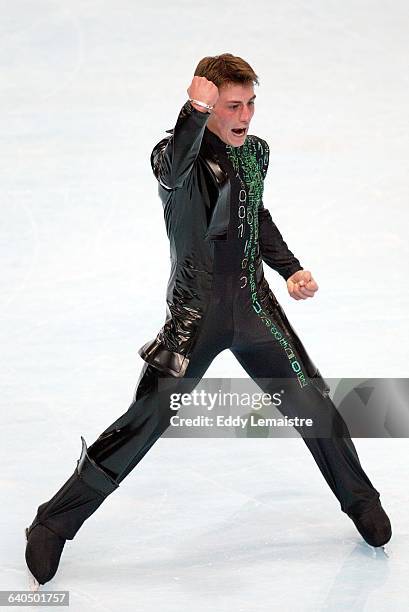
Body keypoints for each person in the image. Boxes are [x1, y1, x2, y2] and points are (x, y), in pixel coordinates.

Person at [25, 53, 391, 586]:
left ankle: (361, 501)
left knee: (312, 401)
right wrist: (192, 110)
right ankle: (54, 522)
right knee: (147, 419)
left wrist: (290, 269)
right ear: (208, 107)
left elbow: (255, 213)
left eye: (249, 105)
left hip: (255, 306)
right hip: (194, 318)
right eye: (231, 107)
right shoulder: (175, 157)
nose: (243, 117)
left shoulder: (256, 153)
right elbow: (176, 163)